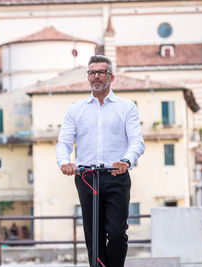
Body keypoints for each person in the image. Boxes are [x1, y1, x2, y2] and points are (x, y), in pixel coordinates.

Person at [56, 55, 145, 267]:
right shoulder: (75, 110)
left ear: (111, 77)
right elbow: (64, 143)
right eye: (92, 72)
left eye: (101, 72)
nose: (96, 76)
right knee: (93, 235)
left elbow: (137, 142)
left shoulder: (127, 107)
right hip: (86, 177)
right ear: (88, 77)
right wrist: (64, 162)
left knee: (115, 233)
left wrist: (126, 160)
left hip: (116, 175)